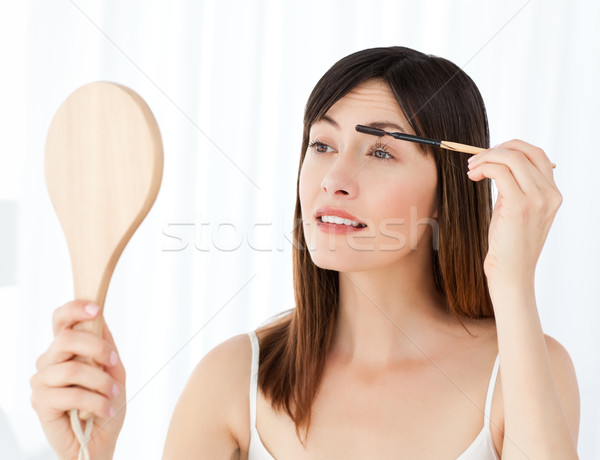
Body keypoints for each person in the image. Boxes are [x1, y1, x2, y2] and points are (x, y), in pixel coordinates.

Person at [30, 46, 580, 459]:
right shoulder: (233, 379)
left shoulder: (526, 368)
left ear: (451, 189)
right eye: (322, 145)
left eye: (382, 151)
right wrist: (89, 454)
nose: (335, 179)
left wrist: (511, 281)